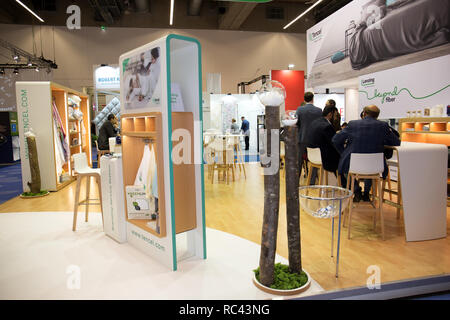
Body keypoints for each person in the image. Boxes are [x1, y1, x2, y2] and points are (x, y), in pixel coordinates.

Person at [332, 105, 400, 202]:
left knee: (346, 169)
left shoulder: (353, 124)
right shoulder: (383, 126)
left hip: (353, 164)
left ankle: (356, 191)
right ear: (377, 116)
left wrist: (343, 153)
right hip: (375, 165)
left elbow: (335, 140)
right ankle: (367, 193)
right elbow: (396, 142)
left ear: (364, 113)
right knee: (370, 170)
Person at [306, 104, 341, 181]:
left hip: (312, 156)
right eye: (335, 115)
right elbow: (334, 142)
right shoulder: (327, 126)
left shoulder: (315, 122)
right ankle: (345, 185)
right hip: (323, 157)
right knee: (343, 158)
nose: (337, 117)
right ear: (330, 114)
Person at [296, 92, 322, 179]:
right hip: (314, 139)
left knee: (299, 161)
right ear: (312, 99)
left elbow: (297, 123)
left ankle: (296, 180)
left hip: (302, 138)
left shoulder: (300, 110)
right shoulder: (319, 110)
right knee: (314, 159)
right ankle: (312, 180)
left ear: (304, 99)